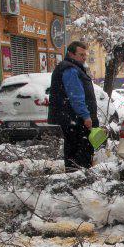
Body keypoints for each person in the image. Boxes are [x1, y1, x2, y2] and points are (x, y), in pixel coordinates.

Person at [48, 41, 99, 171]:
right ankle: (78, 177)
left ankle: (75, 174)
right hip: (75, 119)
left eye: (85, 54)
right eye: (81, 54)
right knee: (80, 151)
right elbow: (75, 96)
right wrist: (86, 116)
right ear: (71, 54)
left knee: (73, 149)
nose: (84, 57)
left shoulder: (72, 68)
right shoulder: (70, 69)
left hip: (72, 119)